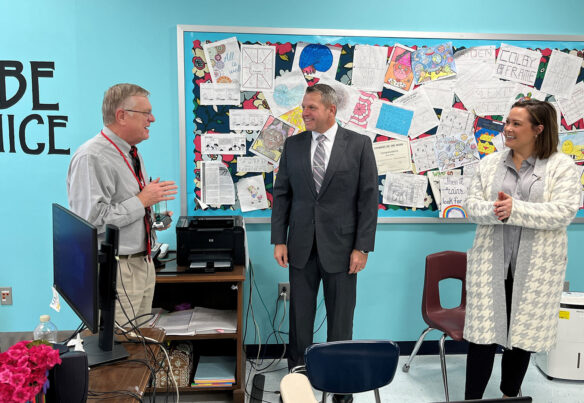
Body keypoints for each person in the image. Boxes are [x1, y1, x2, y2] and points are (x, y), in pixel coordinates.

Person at [463, 99, 581, 399]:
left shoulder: (561, 166)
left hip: (537, 267)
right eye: (507, 122)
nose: (508, 129)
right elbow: (471, 206)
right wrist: (497, 210)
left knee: (522, 336)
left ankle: (509, 395)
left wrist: (515, 210)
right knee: (482, 337)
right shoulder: (490, 164)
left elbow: (564, 211)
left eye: (516, 124)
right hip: (491, 263)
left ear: (538, 129)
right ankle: (471, 399)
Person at [271, 84, 378, 403]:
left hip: (344, 250)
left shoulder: (359, 145)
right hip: (300, 245)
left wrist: (362, 247)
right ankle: (298, 383)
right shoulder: (292, 145)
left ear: (331, 110)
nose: (305, 113)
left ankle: (340, 385)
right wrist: (279, 239)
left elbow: (369, 199)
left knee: (341, 321)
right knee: (299, 321)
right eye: (304, 107)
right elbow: (282, 195)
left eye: (311, 107)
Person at [67, 83, 177, 327]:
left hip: (141, 263)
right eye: (146, 113)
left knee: (139, 344)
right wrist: (142, 201)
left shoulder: (130, 153)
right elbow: (91, 221)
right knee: (120, 348)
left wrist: (150, 217)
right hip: (118, 269)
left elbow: (122, 208)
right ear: (121, 115)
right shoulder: (92, 156)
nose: (153, 118)